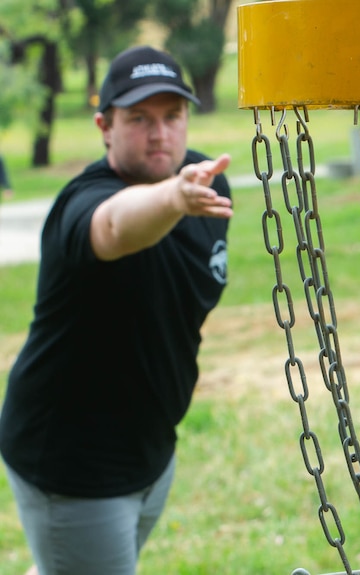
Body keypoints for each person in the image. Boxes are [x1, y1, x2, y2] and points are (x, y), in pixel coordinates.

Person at [0, 45, 233, 575]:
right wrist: (173, 199)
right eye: (139, 119)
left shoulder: (202, 184)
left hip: (150, 450)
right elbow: (114, 226)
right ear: (105, 126)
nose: (160, 134)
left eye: (172, 116)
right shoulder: (84, 203)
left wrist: (181, 194)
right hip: (76, 466)